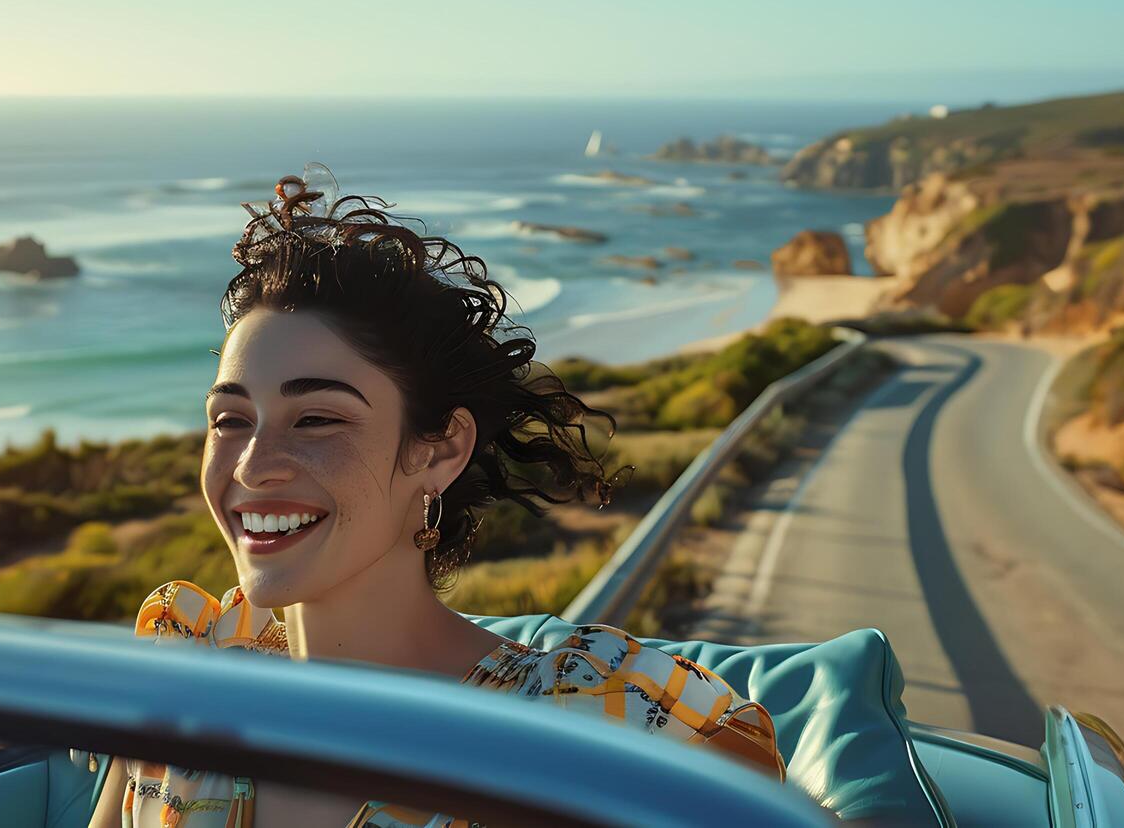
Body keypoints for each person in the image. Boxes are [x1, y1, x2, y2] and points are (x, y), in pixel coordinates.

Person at [87, 169, 788, 827]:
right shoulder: (183, 676)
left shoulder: (590, 723)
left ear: (439, 448)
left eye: (317, 419)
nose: (253, 465)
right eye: (229, 420)